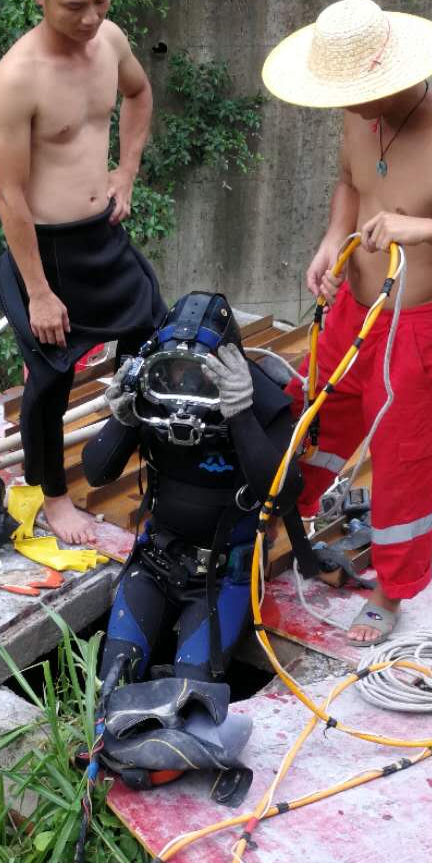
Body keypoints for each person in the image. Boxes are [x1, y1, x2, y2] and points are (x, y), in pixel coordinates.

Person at [261, 0, 432, 643]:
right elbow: (351, 183)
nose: (348, 105)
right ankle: (278, 527)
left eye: (358, 91)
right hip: (352, 316)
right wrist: (333, 238)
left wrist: (431, 226)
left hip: (420, 331)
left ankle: (390, 589)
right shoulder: (363, 116)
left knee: (406, 460)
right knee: (312, 420)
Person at [0, 0, 165, 546]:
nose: (90, 18)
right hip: (48, 256)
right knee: (50, 381)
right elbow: (9, 195)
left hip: (102, 238)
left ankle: (157, 472)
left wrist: (127, 171)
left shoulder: (111, 42)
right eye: (74, 6)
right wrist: (37, 292)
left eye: (101, 1)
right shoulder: (16, 78)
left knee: (158, 345)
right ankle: (55, 498)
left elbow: (139, 96)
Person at [82, 291, 300, 687]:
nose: (186, 386)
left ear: (227, 366)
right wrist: (123, 419)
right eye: (176, 370)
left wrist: (241, 414)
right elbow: (96, 473)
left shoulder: (261, 402)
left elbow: (284, 496)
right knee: (114, 674)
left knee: (192, 688)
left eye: (200, 372)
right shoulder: (155, 394)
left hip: (224, 575)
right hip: (155, 562)